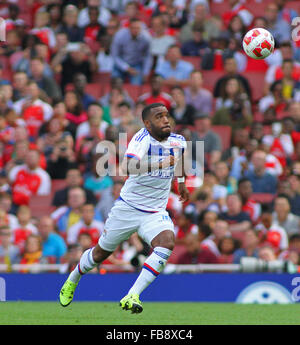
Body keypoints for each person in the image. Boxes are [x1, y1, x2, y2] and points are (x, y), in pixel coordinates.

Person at [59, 103, 189, 313]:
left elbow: (180, 159)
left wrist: (181, 182)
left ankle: (133, 294)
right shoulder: (141, 139)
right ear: (147, 124)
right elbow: (128, 167)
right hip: (128, 208)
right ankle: (73, 278)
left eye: (167, 116)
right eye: (159, 117)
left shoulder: (178, 140)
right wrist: (160, 163)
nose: (166, 120)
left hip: (155, 211)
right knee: (100, 254)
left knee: (166, 242)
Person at [111, 18, 152, 85]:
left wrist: (145, 72)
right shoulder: (119, 36)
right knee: (115, 82)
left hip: (136, 64)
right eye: (133, 28)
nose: (135, 30)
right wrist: (126, 68)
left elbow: (147, 56)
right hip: (121, 63)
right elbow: (115, 56)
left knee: (136, 85)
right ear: (129, 28)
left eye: (138, 28)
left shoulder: (146, 38)